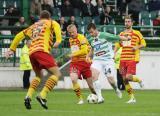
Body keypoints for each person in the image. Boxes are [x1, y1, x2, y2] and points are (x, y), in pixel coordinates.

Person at [5, 10, 62, 109]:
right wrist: (58, 41)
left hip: (31, 53)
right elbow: (58, 34)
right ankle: (42, 95)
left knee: (38, 76)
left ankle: (28, 96)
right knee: (57, 74)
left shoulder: (33, 26)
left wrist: (11, 49)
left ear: (40, 18)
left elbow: (19, 36)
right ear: (49, 17)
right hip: (42, 51)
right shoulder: (52, 22)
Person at [87, 23, 129, 103]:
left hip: (107, 61)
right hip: (97, 60)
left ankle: (116, 89)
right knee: (94, 76)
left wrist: (127, 39)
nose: (91, 34)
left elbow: (117, 37)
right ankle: (100, 97)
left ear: (95, 29)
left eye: (92, 32)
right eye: (90, 33)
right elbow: (92, 49)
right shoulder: (91, 40)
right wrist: (88, 56)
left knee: (111, 80)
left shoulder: (105, 35)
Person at [117, 15, 146, 103]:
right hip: (122, 59)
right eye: (126, 21)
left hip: (131, 58)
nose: (127, 23)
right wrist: (114, 53)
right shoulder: (121, 34)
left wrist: (136, 47)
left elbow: (144, 44)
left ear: (132, 23)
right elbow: (119, 45)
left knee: (128, 77)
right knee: (124, 80)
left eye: (128, 21)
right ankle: (132, 98)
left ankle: (139, 80)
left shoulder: (137, 33)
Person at [67, 24, 96, 104]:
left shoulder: (81, 38)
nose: (71, 34)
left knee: (91, 87)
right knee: (73, 79)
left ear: (76, 30)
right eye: (69, 33)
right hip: (75, 63)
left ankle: (97, 97)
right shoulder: (70, 40)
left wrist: (72, 54)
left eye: (73, 32)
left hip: (85, 63)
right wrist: (73, 55)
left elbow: (83, 51)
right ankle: (80, 99)